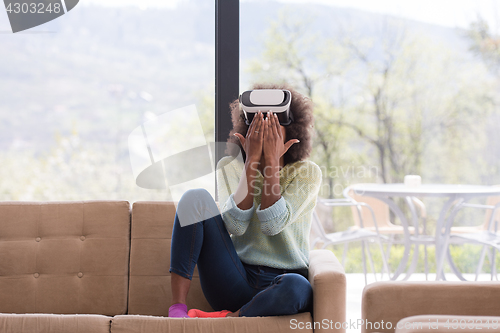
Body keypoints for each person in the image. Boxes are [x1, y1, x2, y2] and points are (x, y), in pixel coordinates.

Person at [168, 83, 322, 318]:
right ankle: (177, 309)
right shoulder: (229, 167)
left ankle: (231, 318)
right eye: (258, 125)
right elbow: (235, 226)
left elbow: (273, 224)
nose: (265, 133)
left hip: (281, 286)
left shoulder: (306, 172)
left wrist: (271, 162)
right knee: (194, 197)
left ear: (292, 131)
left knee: (299, 287)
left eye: (272, 126)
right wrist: (251, 162)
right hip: (234, 278)